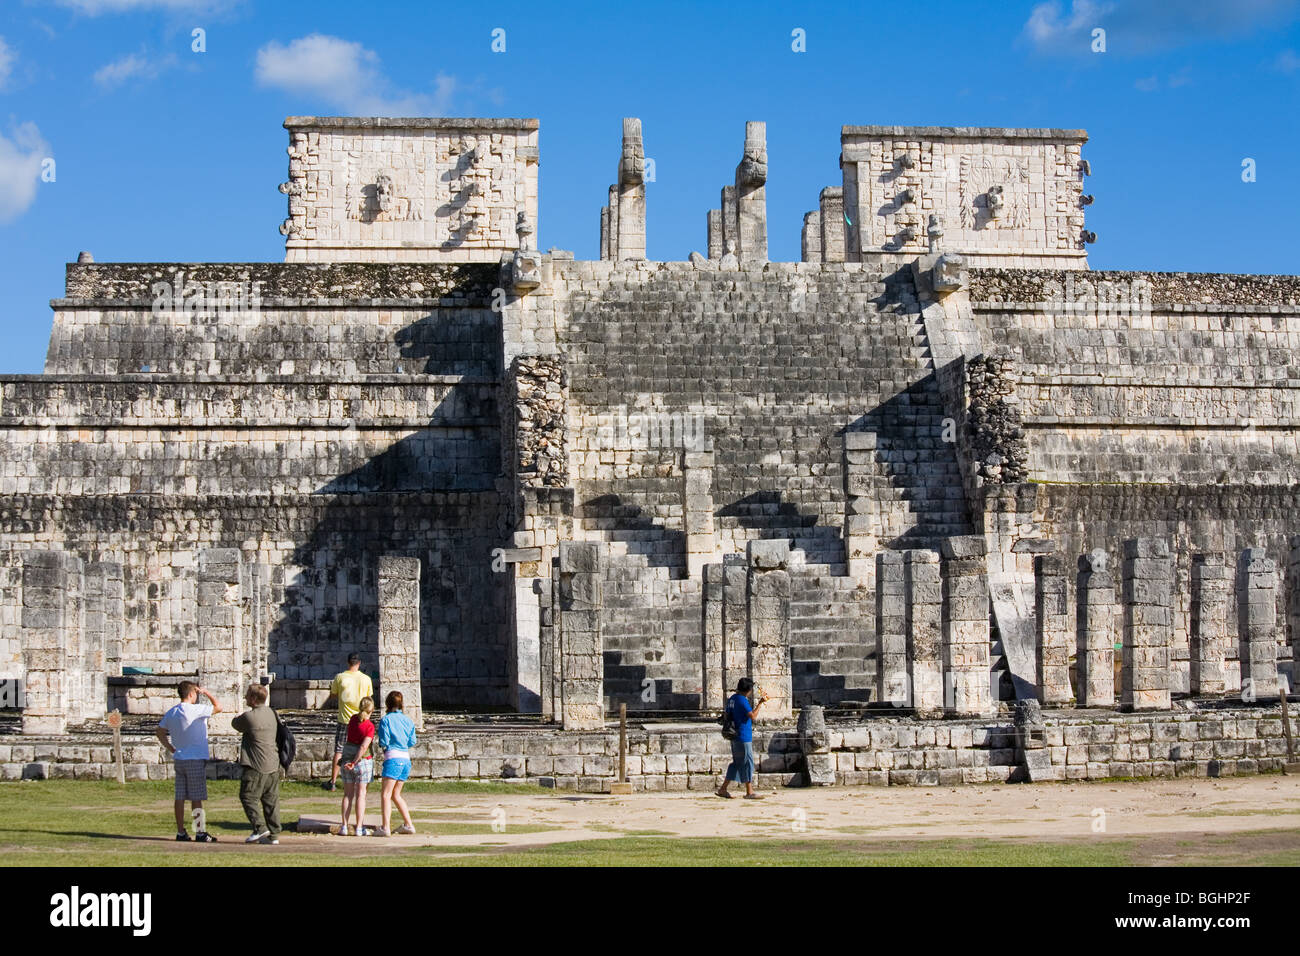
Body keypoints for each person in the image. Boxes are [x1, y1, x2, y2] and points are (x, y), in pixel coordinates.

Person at [156, 681, 222, 841]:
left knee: (179, 796)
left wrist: (170, 747)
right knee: (196, 797)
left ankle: (180, 831)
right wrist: (207, 693)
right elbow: (218, 707)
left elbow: (159, 731)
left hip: (180, 758)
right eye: (196, 694)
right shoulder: (196, 710)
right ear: (191, 694)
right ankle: (200, 831)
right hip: (195, 758)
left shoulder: (172, 712)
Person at [231, 683, 281, 845]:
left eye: (247, 695)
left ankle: (259, 827)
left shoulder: (249, 717)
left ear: (253, 699)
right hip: (273, 762)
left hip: (255, 763)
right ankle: (273, 834)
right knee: (270, 800)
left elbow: (235, 724)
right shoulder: (272, 713)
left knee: (248, 796)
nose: (245, 697)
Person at [326, 653, 373, 792]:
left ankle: (333, 781)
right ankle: (363, 779)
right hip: (362, 720)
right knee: (363, 748)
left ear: (348, 663)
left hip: (345, 719)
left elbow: (333, 694)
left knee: (339, 750)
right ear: (359, 663)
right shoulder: (366, 679)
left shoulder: (340, 677)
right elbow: (368, 700)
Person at [716, 677, 769, 800]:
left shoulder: (731, 699)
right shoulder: (742, 700)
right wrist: (760, 703)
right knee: (747, 762)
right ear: (748, 690)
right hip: (743, 735)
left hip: (734, 735)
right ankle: (749, 791)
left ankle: (723, 788)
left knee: (737, 763)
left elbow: (726, 715)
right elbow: (753, 716)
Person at [374, 691, 418, 837]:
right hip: (405, 758)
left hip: (393, 757)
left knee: (386, 794)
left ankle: (385, 826)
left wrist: (385, 745)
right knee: (396, 794)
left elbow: (384, 741)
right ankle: (408, 824)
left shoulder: (386, 720)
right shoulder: (408, 720)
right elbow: (412, 741)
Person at [338, 696, 376, 836]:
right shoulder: (369, 726)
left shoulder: (353, 719)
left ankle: (344, 826)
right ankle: (359, 827)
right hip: (362, 761)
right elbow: (364, 746)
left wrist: (350, 761)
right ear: (371, 710)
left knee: (347, 795)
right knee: (361, 795)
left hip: (346, 757)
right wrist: (355, 761)